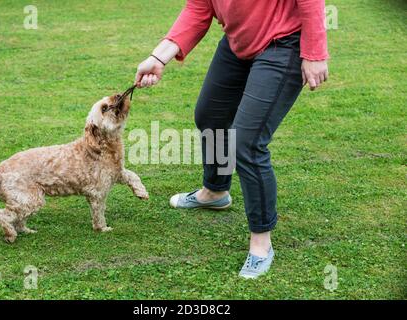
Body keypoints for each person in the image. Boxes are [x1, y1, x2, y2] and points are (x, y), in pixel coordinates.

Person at [135, 0, 329, 279]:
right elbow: (198, 8)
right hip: (238, 43)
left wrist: (315, 51)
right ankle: (215, 192)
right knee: (210, 116)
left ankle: (261, 241)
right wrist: (158, 57)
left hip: (283, 42)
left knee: (246, 143)